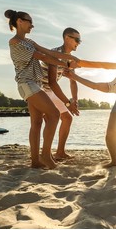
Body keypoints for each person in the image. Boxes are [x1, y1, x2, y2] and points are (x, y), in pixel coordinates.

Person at [4, 9, 78, 169]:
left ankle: (35, 161)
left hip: (34, 84)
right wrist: (66, 63)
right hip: (27, 83)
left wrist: (71, 58)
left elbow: (48, 52)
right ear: (19, 22)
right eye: (29, 21)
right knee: (54, 114)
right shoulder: (15, 42)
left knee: (36, 123)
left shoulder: (29, 42)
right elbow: (43, 57)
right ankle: (45, 155)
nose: (32, 25)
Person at [40, 28, 81, 160]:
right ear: (67, 38)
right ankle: (46, 154)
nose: (79, 43)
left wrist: (74, 100)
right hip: (41, 90)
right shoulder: (55, 54)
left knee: (67, 118)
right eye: (77, 40)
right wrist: (67, 103)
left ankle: (60, 152)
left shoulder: (69, 59)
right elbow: (52, 82)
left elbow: (73, 81)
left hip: (51, 90)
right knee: (51, 120)